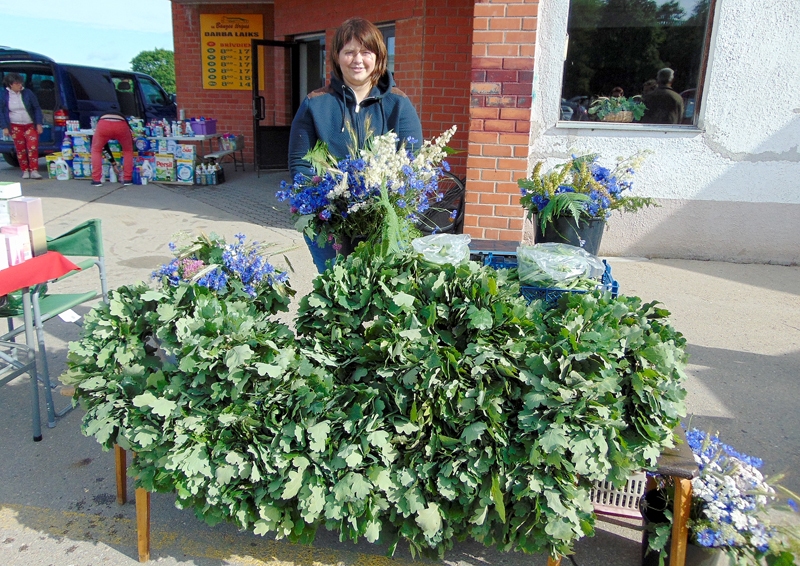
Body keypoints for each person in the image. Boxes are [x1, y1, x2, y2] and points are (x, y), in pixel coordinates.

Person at [288, 17, 423, 272]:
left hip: (384, 221)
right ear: (337, 57)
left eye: (366, 52)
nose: (357, 60)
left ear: (378, 57)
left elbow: (412, 160)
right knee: (336, 287)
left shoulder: (398, 103)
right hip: (329, 221)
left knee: (381, 286)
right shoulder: (316, 103)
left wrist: (389, 206)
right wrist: (322, 205)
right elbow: (300, 164)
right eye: (349, 52)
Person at [0, 73, 44, 179]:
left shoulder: (28, 93)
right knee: (20, 149)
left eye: (20, 83)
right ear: (10, 85)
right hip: (15, 126)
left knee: (32, 147)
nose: (20, 85)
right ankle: (25, 170)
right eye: (17, 83)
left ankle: (34, 170)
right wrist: (4, 127)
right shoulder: (3, 95)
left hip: (30, 125)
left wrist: (39, 123)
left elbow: (36, 108)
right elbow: (1, 112)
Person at [90, 112, 134, 186]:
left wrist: (113, 163)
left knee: (96, 150)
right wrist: (113, 163)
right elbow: (106, 149)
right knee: (128, 150)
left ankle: (96, 180)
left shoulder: (100, 127)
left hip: (103, 124)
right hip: (121, 124)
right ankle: (127, 179)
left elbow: (105, 149)